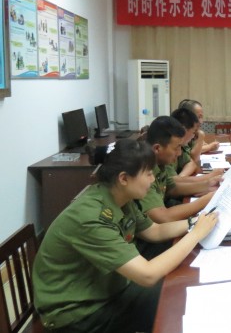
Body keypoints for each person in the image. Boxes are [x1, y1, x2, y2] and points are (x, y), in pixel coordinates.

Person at [32, 139, 218, 333]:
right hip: (79, 314)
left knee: (178, 284)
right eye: (148, 173)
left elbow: (154, 231)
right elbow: (147, 275)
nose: (152, 180)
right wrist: (196, 233)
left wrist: (194, 223)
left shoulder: (119, 196)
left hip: (109, 291)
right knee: (176, 297)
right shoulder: (90, 217)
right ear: (124, 178)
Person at [139, 116, 220, 224]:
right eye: (176, 148)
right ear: (157, 148)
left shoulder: (158, 163)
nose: (179, 153)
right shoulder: (143, 171)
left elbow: (172, 187)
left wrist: (208, 184)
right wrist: (206, 200)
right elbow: (163, 217)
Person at [171, 107, 203, 176]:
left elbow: (192, 164)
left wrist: (180, 178)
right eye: (193, 132)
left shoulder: (180, 145)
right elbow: (171, 181)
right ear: (183, 130)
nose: (193, 136)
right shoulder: (167, 148)